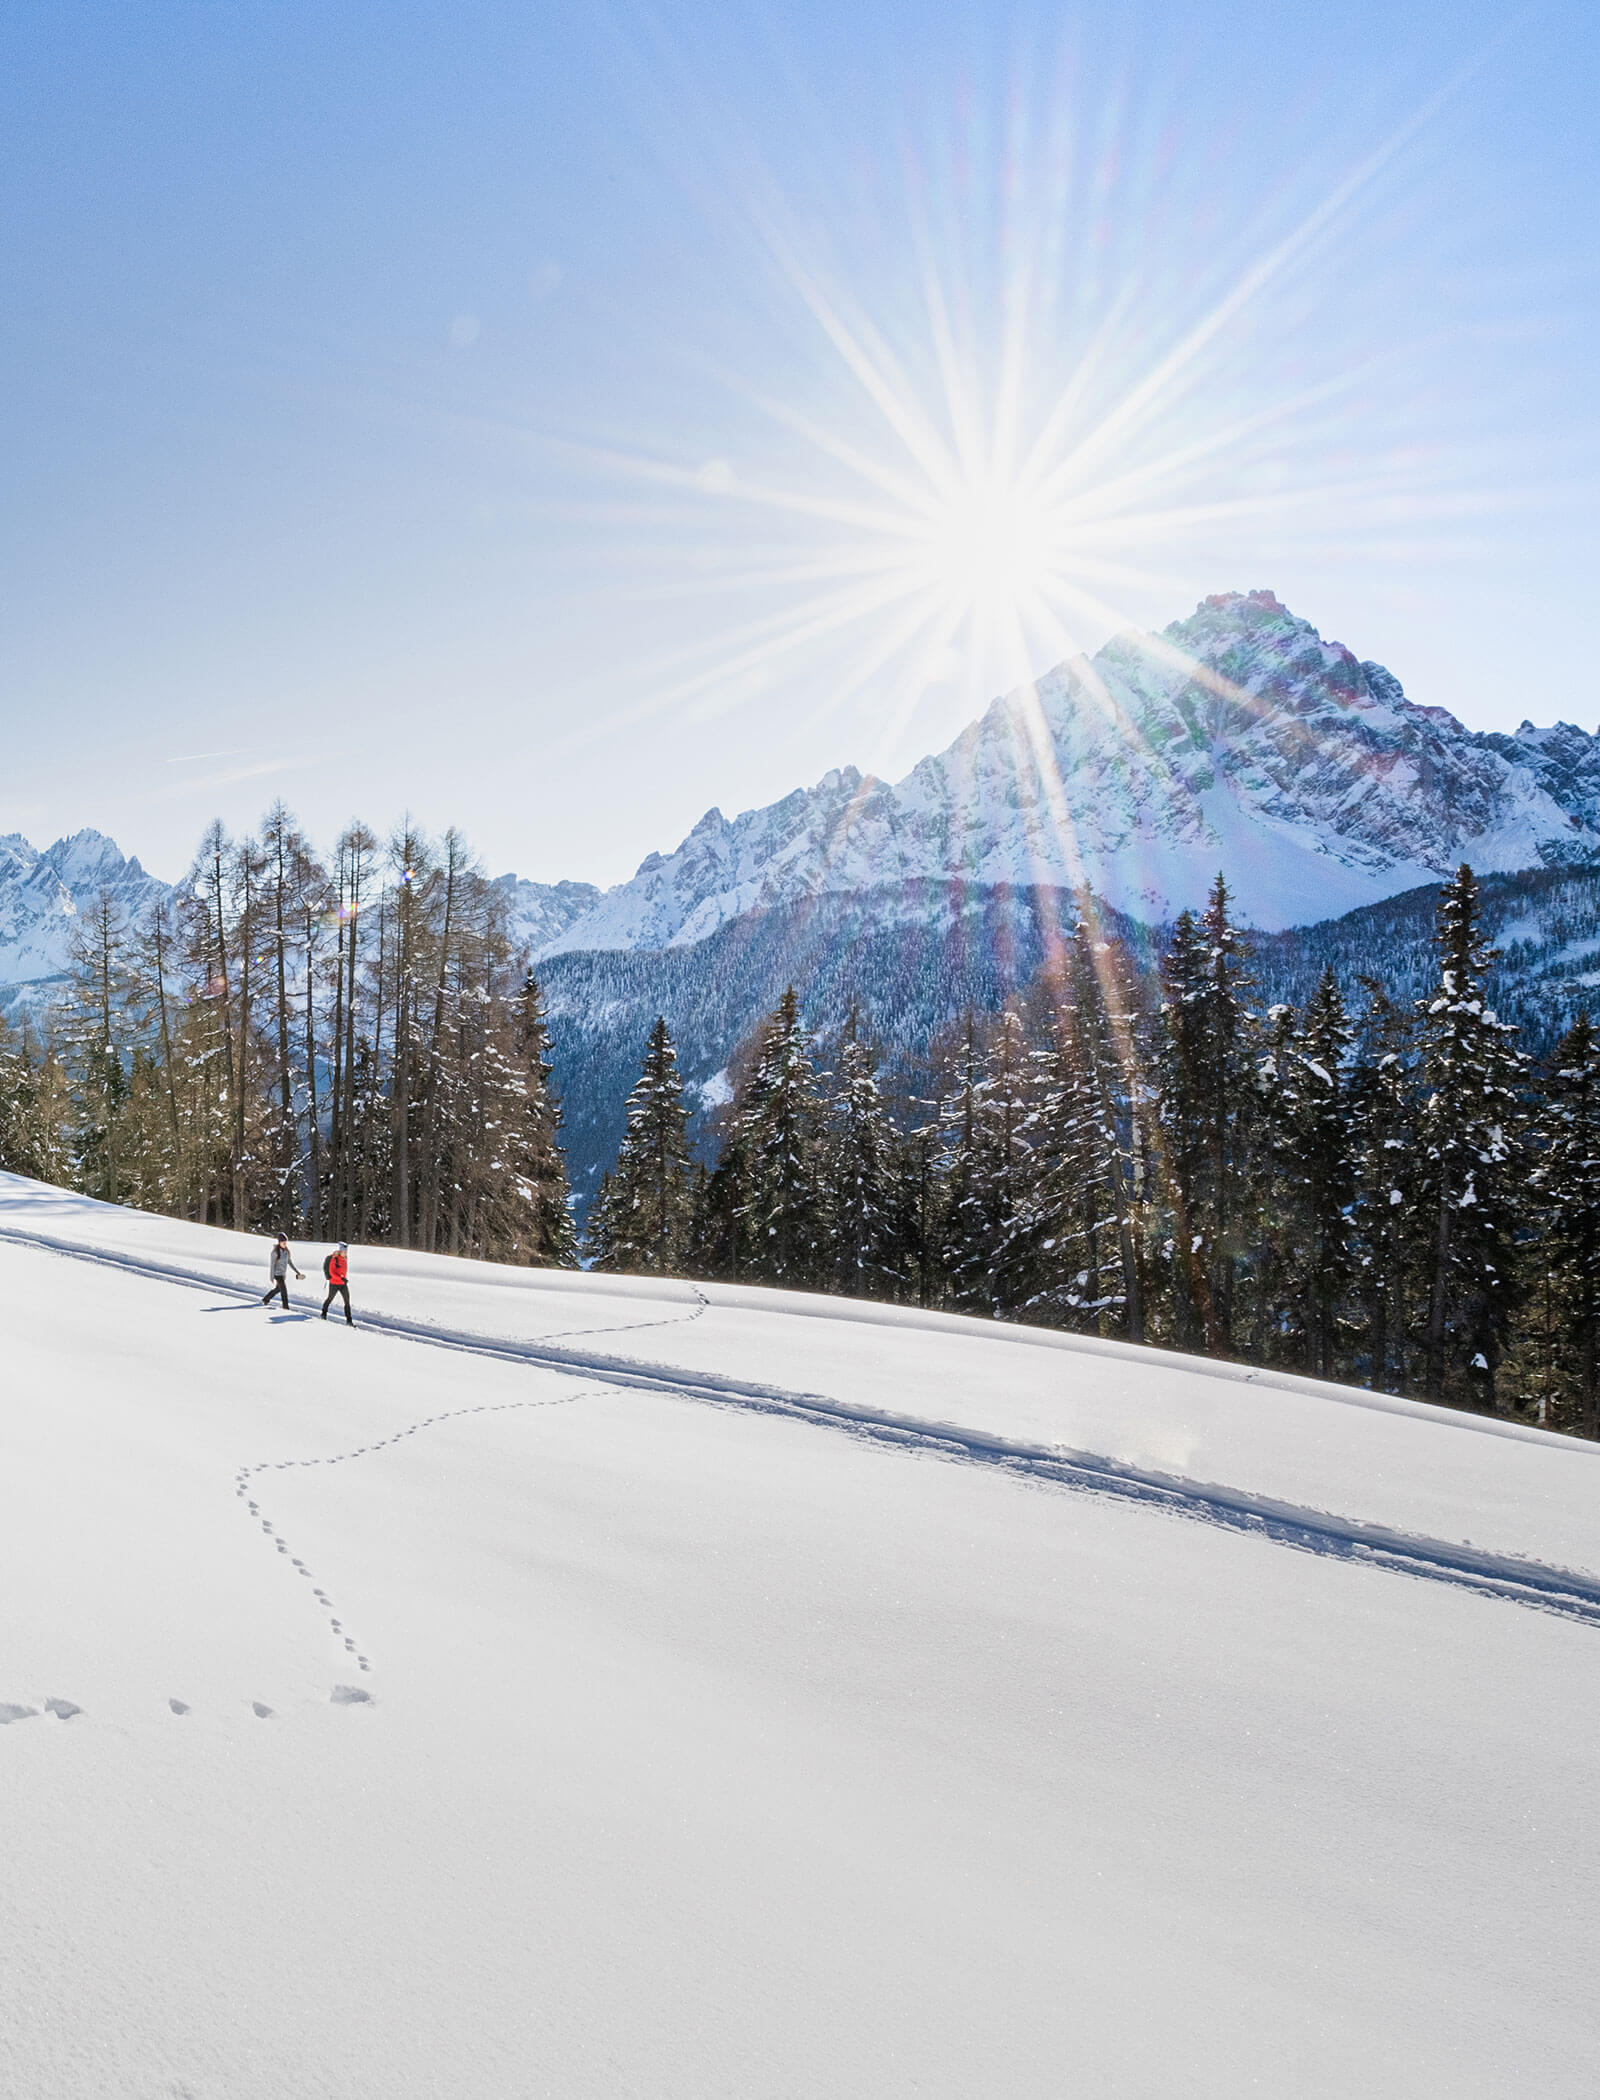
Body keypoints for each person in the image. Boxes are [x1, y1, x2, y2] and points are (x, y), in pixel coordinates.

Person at [262, 1233, 303, 1310]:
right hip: (277, 1275)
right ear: (279, 1242)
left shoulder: (286, 1252)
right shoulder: (275, 1252)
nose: (285, 1244)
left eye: (285, 1242)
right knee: (284, 1290)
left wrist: (297, 1272)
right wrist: (271, 1277)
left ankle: (266, 1299)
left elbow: (290, 1262)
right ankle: (286, 1307)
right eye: (283, 1242)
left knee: (278, 1289)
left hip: (283, 1275)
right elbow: (272, 1265)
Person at [321, 1242, 353, 1324]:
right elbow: (332, 1273)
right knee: (330, 1299)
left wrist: (343, 1279)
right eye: (344, 1252)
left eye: (346, 1252)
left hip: (343, 1284)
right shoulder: (334, 1259)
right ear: (340, 1251)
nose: (345, 1253)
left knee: (347, 1301)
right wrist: (341, 1278)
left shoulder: (345, 1258)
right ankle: (323, 1314)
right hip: (334, 1284)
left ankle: (349, 1321)